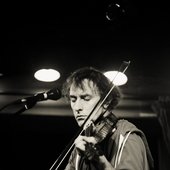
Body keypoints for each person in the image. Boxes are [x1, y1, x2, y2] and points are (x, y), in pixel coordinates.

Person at [62, 66, 154, 170]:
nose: (77, 107)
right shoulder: (81, 144)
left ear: (106, 102)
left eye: (86, 98)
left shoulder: (127, 136)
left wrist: (101, 162)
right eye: (73, 100)